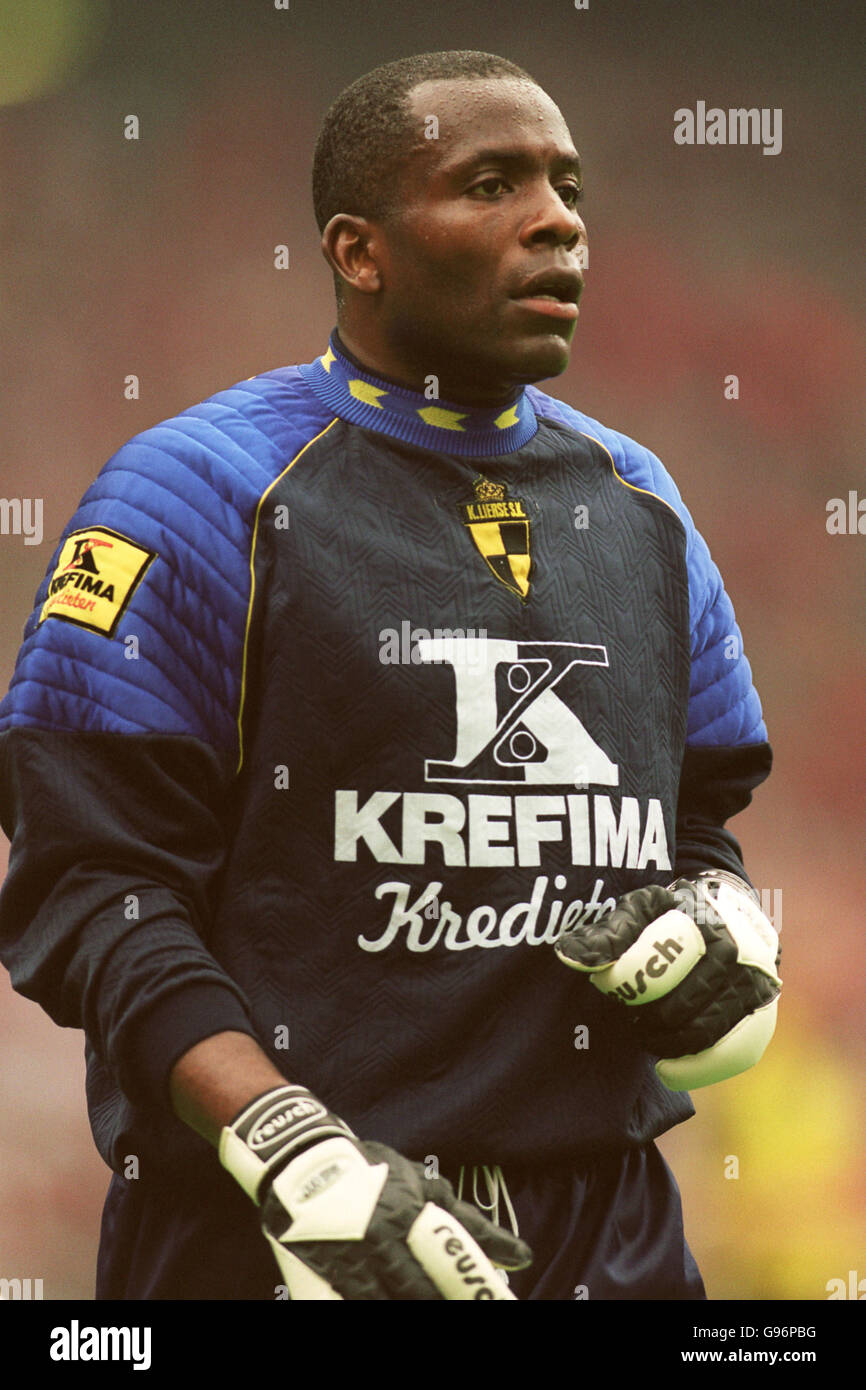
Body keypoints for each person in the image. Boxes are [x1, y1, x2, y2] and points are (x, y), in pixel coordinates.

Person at [0, 50, 781, 1301]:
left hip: (612, 1242)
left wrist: (714, 936)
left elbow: (697, 831)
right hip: (283, 1234)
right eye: (492, 183)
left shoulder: (644, 507)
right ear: (357, 251)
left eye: (566, 184)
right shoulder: (191, 497)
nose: (558, 220)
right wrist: (289, 1149)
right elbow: (95, 889)